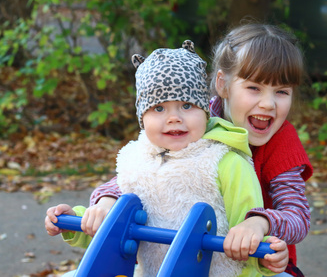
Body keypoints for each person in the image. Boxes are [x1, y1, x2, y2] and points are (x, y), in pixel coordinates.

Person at [81, 23, 313, 277]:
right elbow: (144, 170)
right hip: (181, 250)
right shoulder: (192, 117)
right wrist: (106, 200)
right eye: (254, 88)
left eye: (281, 92)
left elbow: (297, 214)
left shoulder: (281, 141)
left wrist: (260, 223)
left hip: (258, 258)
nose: (268, 104)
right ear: (223, 84)